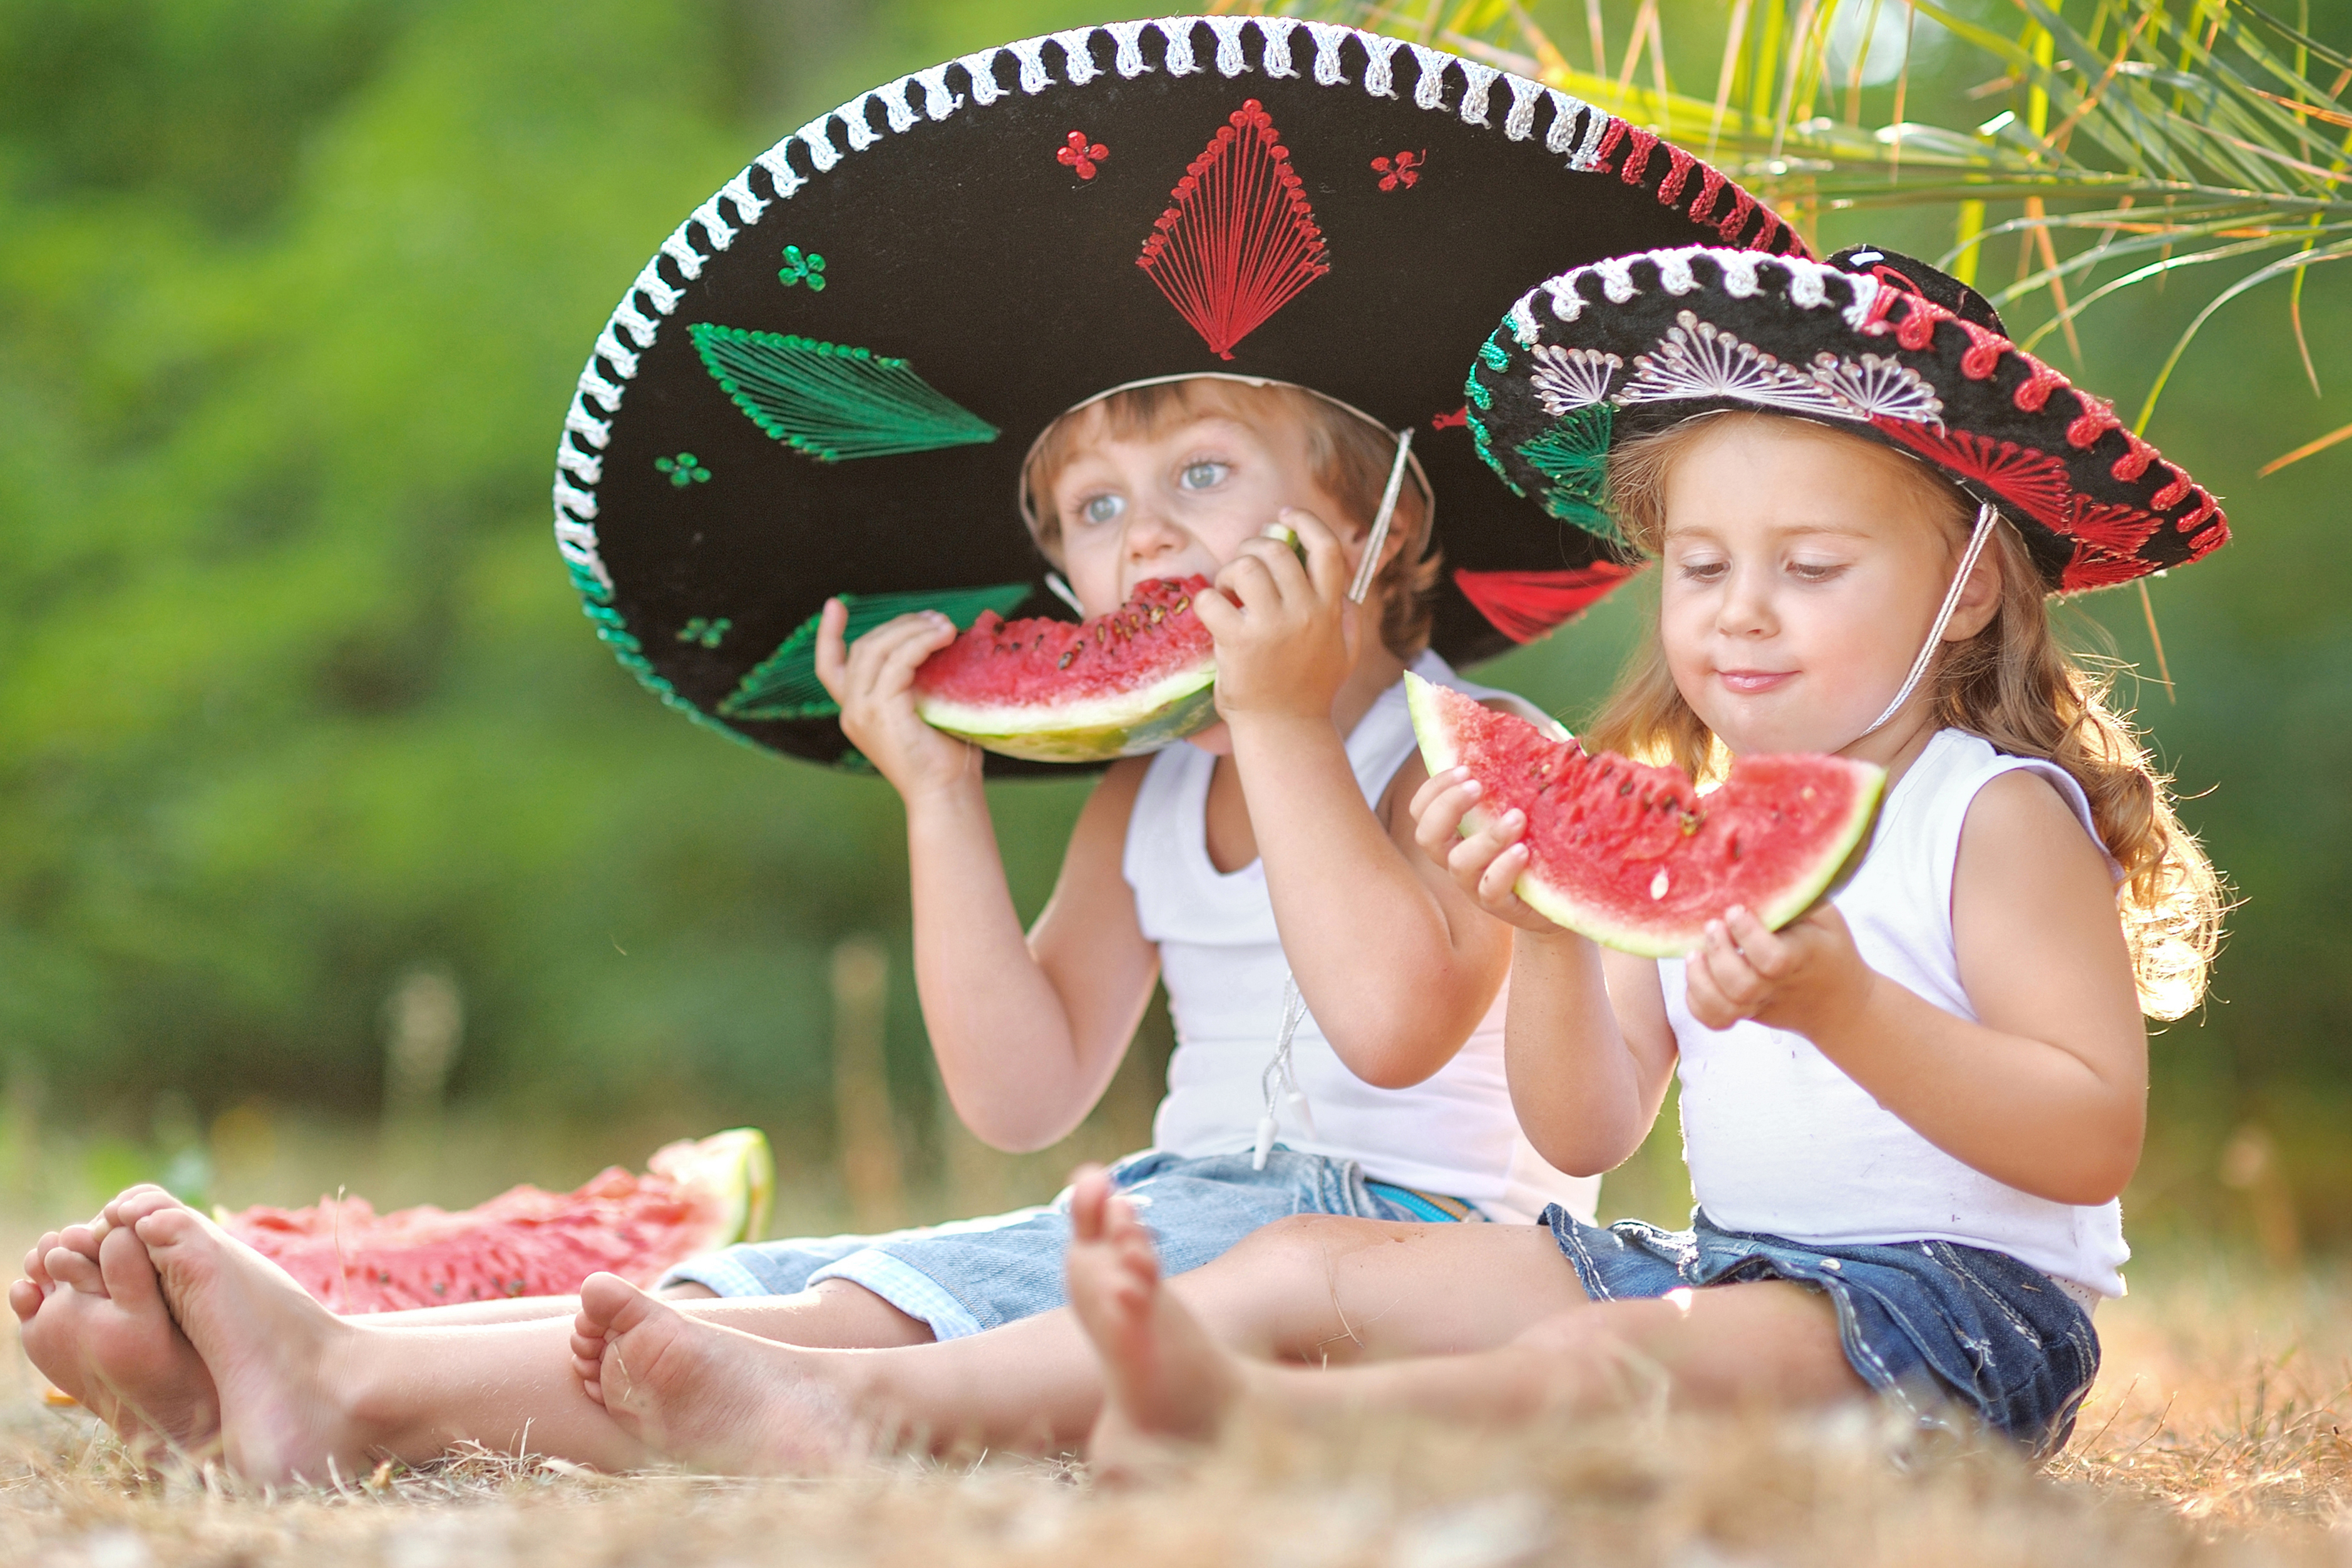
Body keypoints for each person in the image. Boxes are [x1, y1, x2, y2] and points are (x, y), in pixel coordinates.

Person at [11, 16, 1817, 1477]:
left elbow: (1401, 1022)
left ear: (1387, 516)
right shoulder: (1150, 790)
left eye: (1202, 474)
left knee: (867, 1317)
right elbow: (1021, 1094)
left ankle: (354, 1386)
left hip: (1408, 1255)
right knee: (786, 1283)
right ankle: (294, 1381)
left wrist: (1277, 722)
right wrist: (945, 796)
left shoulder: (1463, 748)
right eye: (1093, 514)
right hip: (1169, 1210)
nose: (1147, 542)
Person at [507, 241, 2224, 1470]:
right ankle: (875, 1404)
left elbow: (2091, 1132)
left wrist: (1847, 1005)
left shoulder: (1987, 814)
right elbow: (1586, 1130)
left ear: (1976, 581)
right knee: (1299, 1269)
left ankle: (1246, 1425)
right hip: (1719, 1266)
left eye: (1811, 565)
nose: (1739, 615)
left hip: (1954, 1311)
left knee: (1610, 1356)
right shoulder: (1671, 801)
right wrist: (1547, 924)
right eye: (1699, 566)